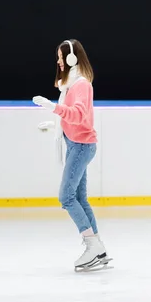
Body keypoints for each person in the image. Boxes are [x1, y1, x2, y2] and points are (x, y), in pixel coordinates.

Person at [32, 39, 109, 271]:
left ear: (72, 58)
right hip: (77, 144)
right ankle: (99, 248)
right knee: (79, 198)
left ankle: (92, 245)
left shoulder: (81, 85)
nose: (58, 61)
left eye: (60, 56)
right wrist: (56, 123)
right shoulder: (71, 86)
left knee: (66, 197)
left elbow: (78, 115)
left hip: (82, 146)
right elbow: (71, 117)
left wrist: (53, 108)